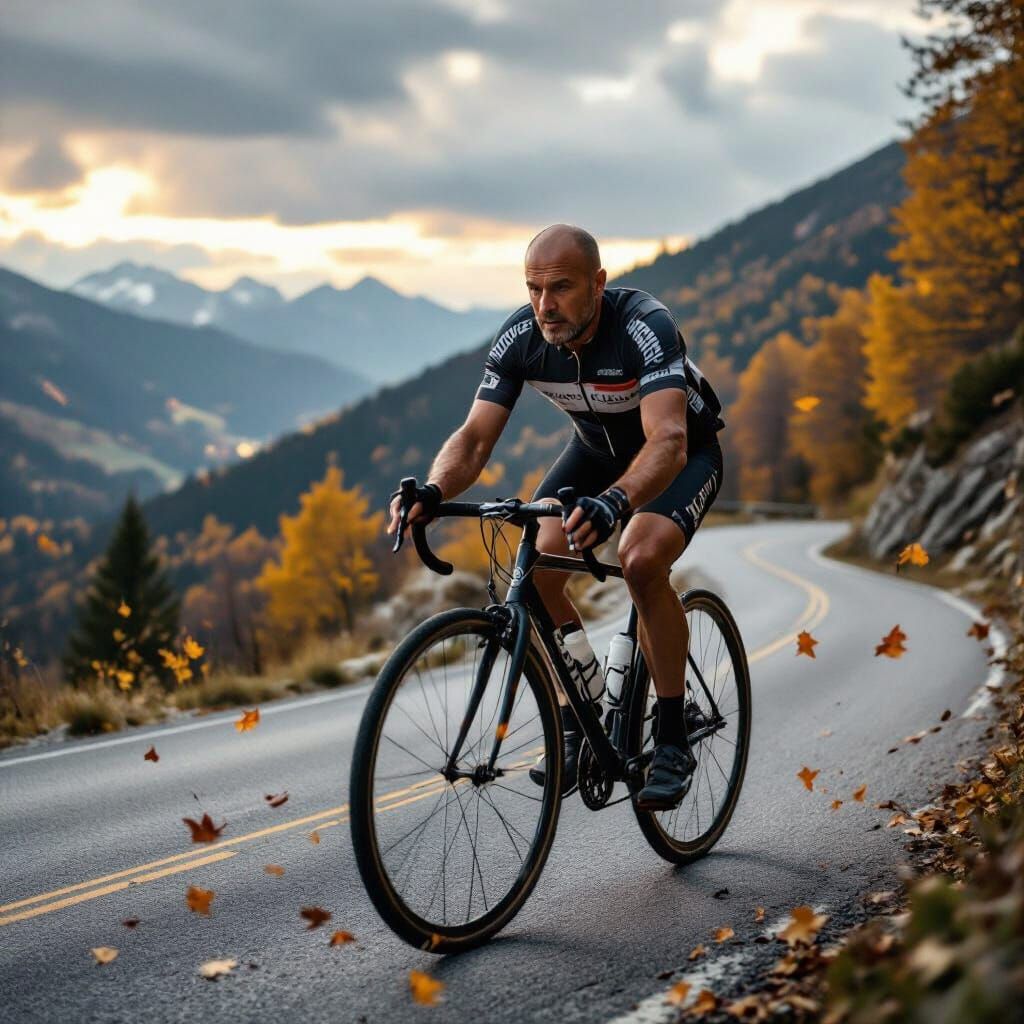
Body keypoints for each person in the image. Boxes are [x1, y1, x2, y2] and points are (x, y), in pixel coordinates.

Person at [387, 224, 725, 811]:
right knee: (535, 573)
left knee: (640, 559)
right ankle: (578, 719)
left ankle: (671, 737)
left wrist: (618, 502)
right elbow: (473, 439)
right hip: (594, 454)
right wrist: (437, 489)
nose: (545, 305)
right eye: (534, 288)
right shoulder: (521, 336)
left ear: (597, 283)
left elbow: (668, 438)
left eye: (561, 288)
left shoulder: (645, 327)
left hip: (681, 455)